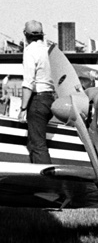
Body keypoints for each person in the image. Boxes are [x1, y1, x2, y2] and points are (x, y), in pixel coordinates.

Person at [20, 20, 54, 164]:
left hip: (37, 99)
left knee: (38, 145)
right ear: (42, 35)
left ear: (25, 35)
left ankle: (46, 181)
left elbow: (28, 82)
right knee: (35, 142)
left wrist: (23, 108)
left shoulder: (29, 51)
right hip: (50, 98)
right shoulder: (49, 50)